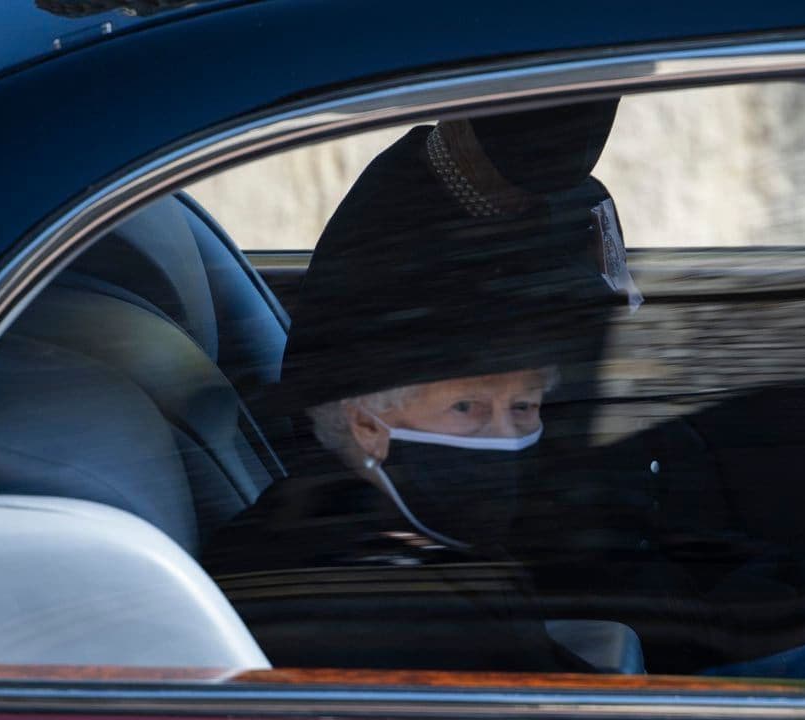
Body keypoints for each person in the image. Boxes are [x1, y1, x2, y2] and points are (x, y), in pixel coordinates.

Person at [203, 100, 643, 673]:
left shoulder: (452, 550)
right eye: (468, 409)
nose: (504, 439)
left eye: (525, 407)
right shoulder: (372, 605)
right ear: (365, 426)